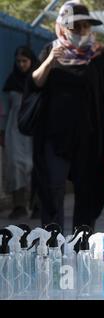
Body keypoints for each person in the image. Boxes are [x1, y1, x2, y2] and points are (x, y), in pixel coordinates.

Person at [27, 1, 104, 231]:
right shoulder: (51, 50)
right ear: (62, 28)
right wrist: (50, 61)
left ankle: (83, 242)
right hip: (54, 136)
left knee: (88, 190)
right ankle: (52, 244)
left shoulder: (100, 56)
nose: (80, 32)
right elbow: (35, 83)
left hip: (89, 136)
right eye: (74, 28)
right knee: (52, 188)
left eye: (85, 27)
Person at [1, 47, 38, 219]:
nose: (22, 64)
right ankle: (19, 206)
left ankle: (38, 204)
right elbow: (5, 110)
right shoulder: (11, 83)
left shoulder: (39, 80)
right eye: (19, 61)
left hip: (35, 131)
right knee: (15, 166)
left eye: (25, 61)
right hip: (14, 131)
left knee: (36, 166)